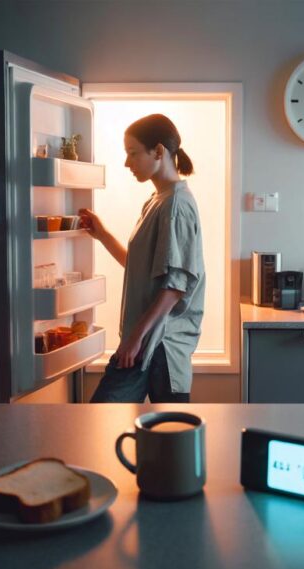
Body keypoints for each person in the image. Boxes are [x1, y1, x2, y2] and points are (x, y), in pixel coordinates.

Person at [80, 113, 205, 403]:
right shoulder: (158, 200)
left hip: (160, 346)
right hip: (146, 341)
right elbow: (142, 269)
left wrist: (133, 339)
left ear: (158, 151)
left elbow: (175, 287)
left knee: (167, 436)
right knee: (157, 434)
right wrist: (103, 235)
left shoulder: (175, 205)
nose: (127, 163)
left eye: (133, 153)